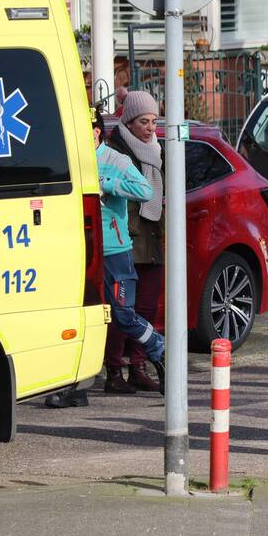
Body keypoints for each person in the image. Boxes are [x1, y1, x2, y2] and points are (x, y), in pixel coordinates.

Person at [45, 109, 165, 407]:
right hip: (80, 251)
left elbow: (145, 190)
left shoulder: (116, 160)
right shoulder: (72, 161)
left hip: (114, 252)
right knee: (83, 318)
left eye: (87, 129)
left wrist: (108, 184)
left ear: (97, 131)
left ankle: (158, 347)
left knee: (122, 315)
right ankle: (75, 386)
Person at [106, 90, 166, 392]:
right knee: (121, 311)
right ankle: (114, 371)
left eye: (154, 121)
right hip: (126, 239)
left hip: (152, 238)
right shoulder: (115, 151)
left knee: (146, 308)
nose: (150, 128)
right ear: (129, 121)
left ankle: (139, 367)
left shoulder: (158, 150)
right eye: (144, 121)